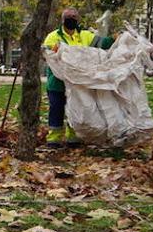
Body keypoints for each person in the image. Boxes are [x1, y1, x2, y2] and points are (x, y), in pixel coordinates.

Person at [43, 8, 113, 148]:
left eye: (74, 16)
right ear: (63, 19)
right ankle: (54, 139)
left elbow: (103, 43)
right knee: (56, 109)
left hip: (77, 83)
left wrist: (116, 39)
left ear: (78, 19)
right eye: (69, 16)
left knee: (76, 109)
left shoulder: (86, 35)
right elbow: (48, 55)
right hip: (58, 82)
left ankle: (73, 137)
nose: (72, 19)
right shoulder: (53, 36)